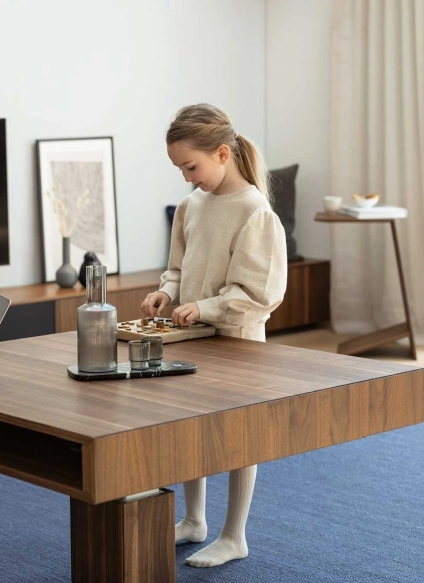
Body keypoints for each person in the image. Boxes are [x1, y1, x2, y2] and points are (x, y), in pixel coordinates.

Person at [141, 103, 287, 568]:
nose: (186, 177)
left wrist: (203, 306)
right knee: (192, 428)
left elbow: (259, 292)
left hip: (239, 341)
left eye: (191, 166)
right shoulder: (191, 206)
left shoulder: (254, 211)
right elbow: (177, 269)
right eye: (179, 168)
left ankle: (234, 534)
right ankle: (195, 521)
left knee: (239, 436)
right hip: (193, 338)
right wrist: (166, 293)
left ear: (222, 153)